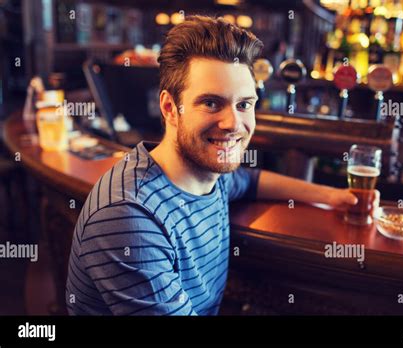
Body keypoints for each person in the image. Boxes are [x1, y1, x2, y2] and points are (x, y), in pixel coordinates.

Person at [65, 15, 372, 316]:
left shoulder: (209, 172)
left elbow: (251, 181)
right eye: (211, 103)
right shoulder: (129, 217)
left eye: (244, 105)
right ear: (171, 108)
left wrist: (331, 196)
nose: (233, 124)